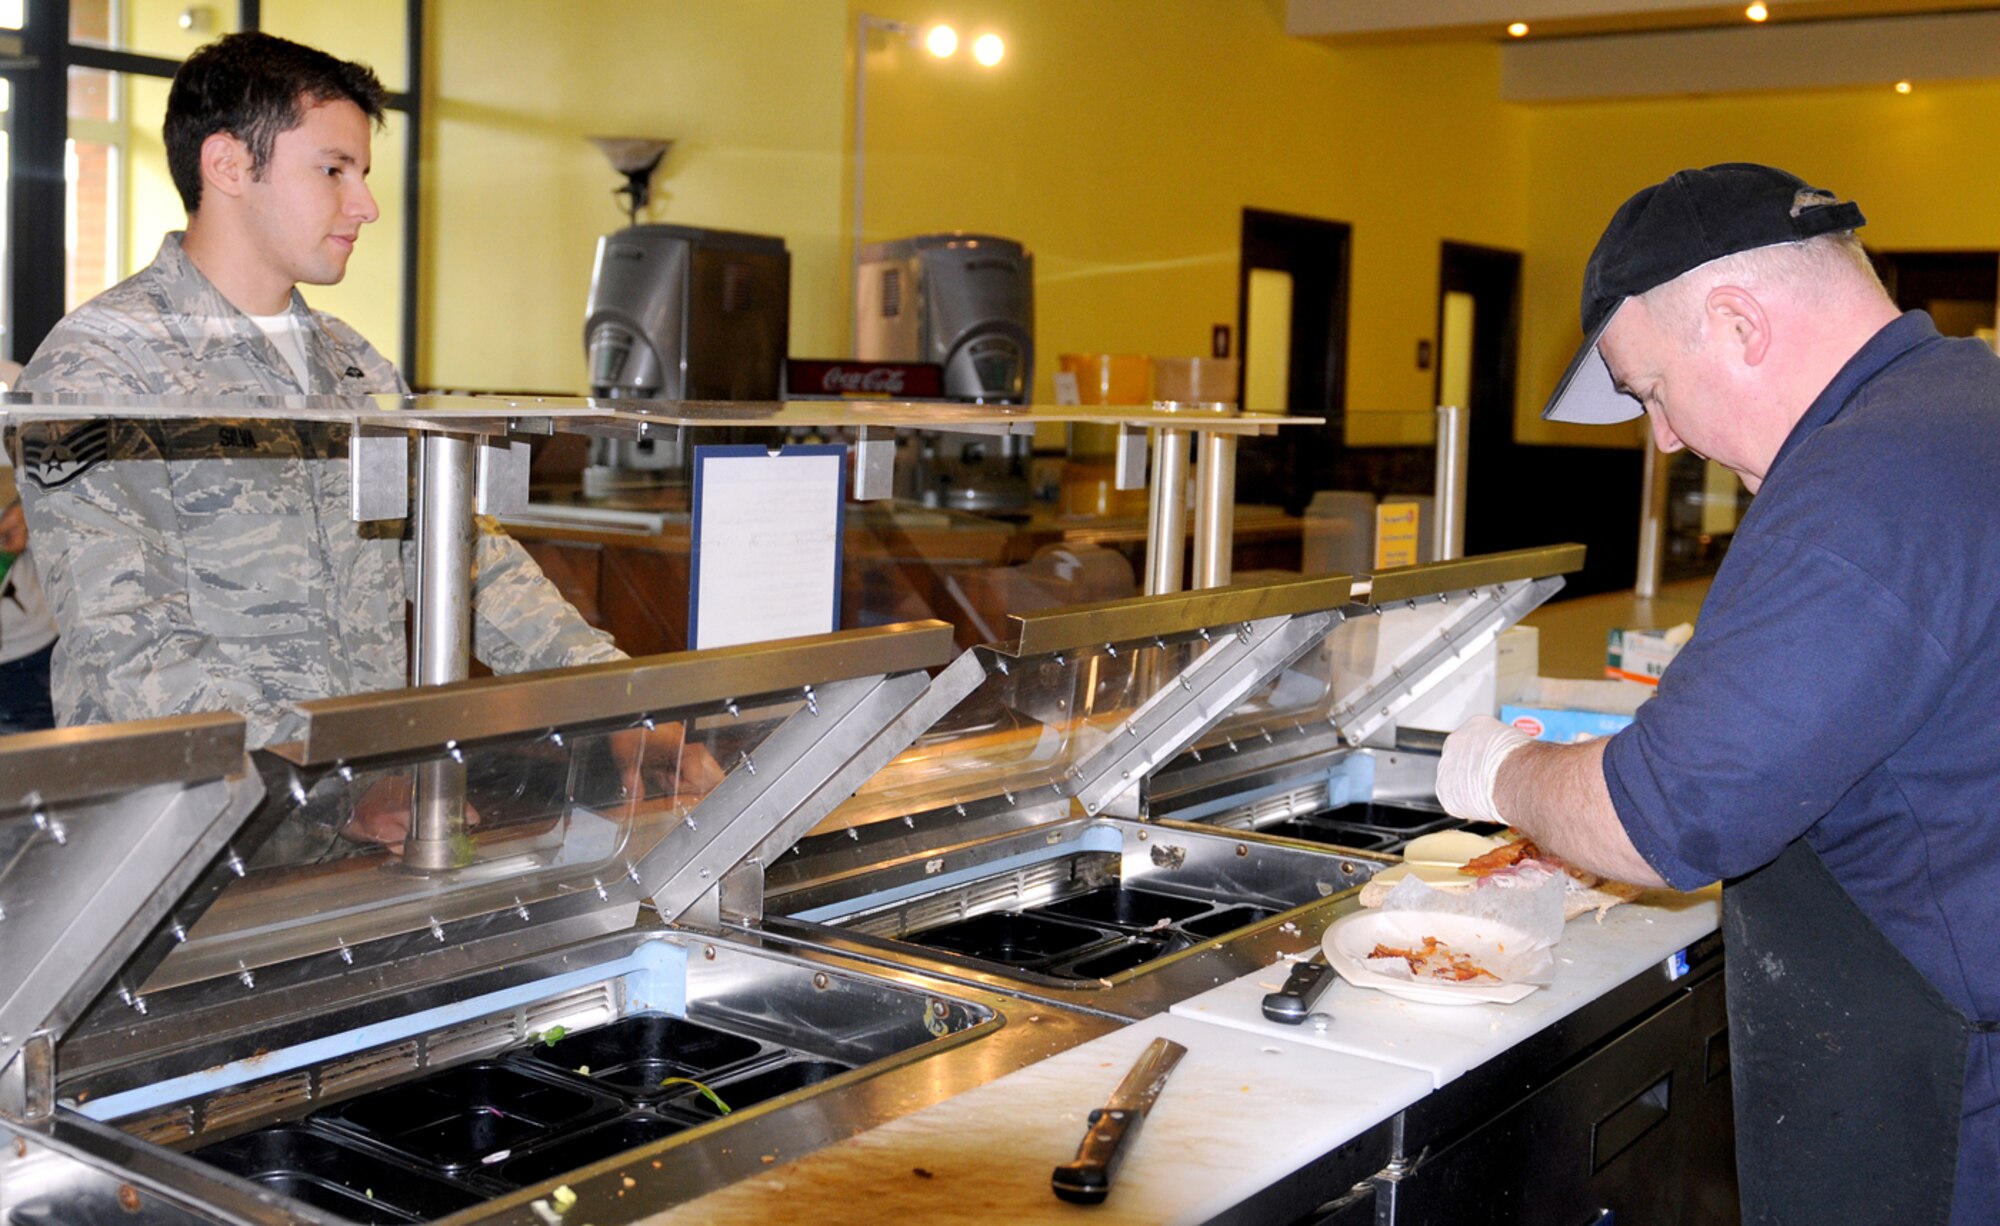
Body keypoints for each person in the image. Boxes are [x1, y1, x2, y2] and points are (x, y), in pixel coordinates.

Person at [1435, 164, 1999, 1225]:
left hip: (1949, 1113)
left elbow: (1659, 818)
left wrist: (1496, 770)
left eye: (1650, 389)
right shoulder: (1961, 405)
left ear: (1738, 323)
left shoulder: (1866, 480)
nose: (1662, 436)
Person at [10, 32, 715, 804]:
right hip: (184, 825)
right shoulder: (101, 366)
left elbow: (466, 561)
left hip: (362, 812)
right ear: (227, 165)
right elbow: (126, 650)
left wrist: (617, 703)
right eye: (333, 170)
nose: (366, 206)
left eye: (364, 174)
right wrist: (330, 787)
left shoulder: (353, 366)